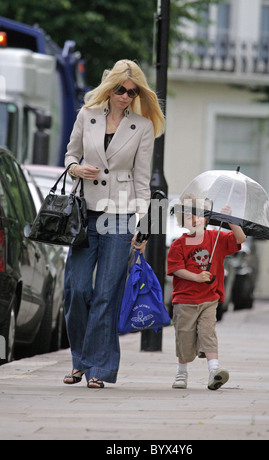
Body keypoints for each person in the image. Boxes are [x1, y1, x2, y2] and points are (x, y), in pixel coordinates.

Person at [63, 59, 165, 388]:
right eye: (121, 89)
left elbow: (142, 180)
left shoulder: (143, 126)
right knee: (77, 290)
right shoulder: (86, 116)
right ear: (110, 88)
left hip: (119, 217)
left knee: (107, 293)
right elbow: (69, 156)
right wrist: (77, 169)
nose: (125, 96)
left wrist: (144, 225)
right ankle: (80, 357)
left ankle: (97, 369)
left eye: (132, 92)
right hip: (84, 213)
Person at [167, 197, 246, 390]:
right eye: (188, 216)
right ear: (181, 221)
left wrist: (231, 220)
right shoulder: (179, 244)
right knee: (184, 336)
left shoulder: (216, 239)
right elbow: (176, 269)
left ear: (207, 218)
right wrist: (195, 277)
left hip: (210, 299)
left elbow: (240, 239)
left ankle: (214, 370)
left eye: (199, 215)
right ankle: (181, 372)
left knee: (208, 333)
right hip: (185, 300)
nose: (194, 219)